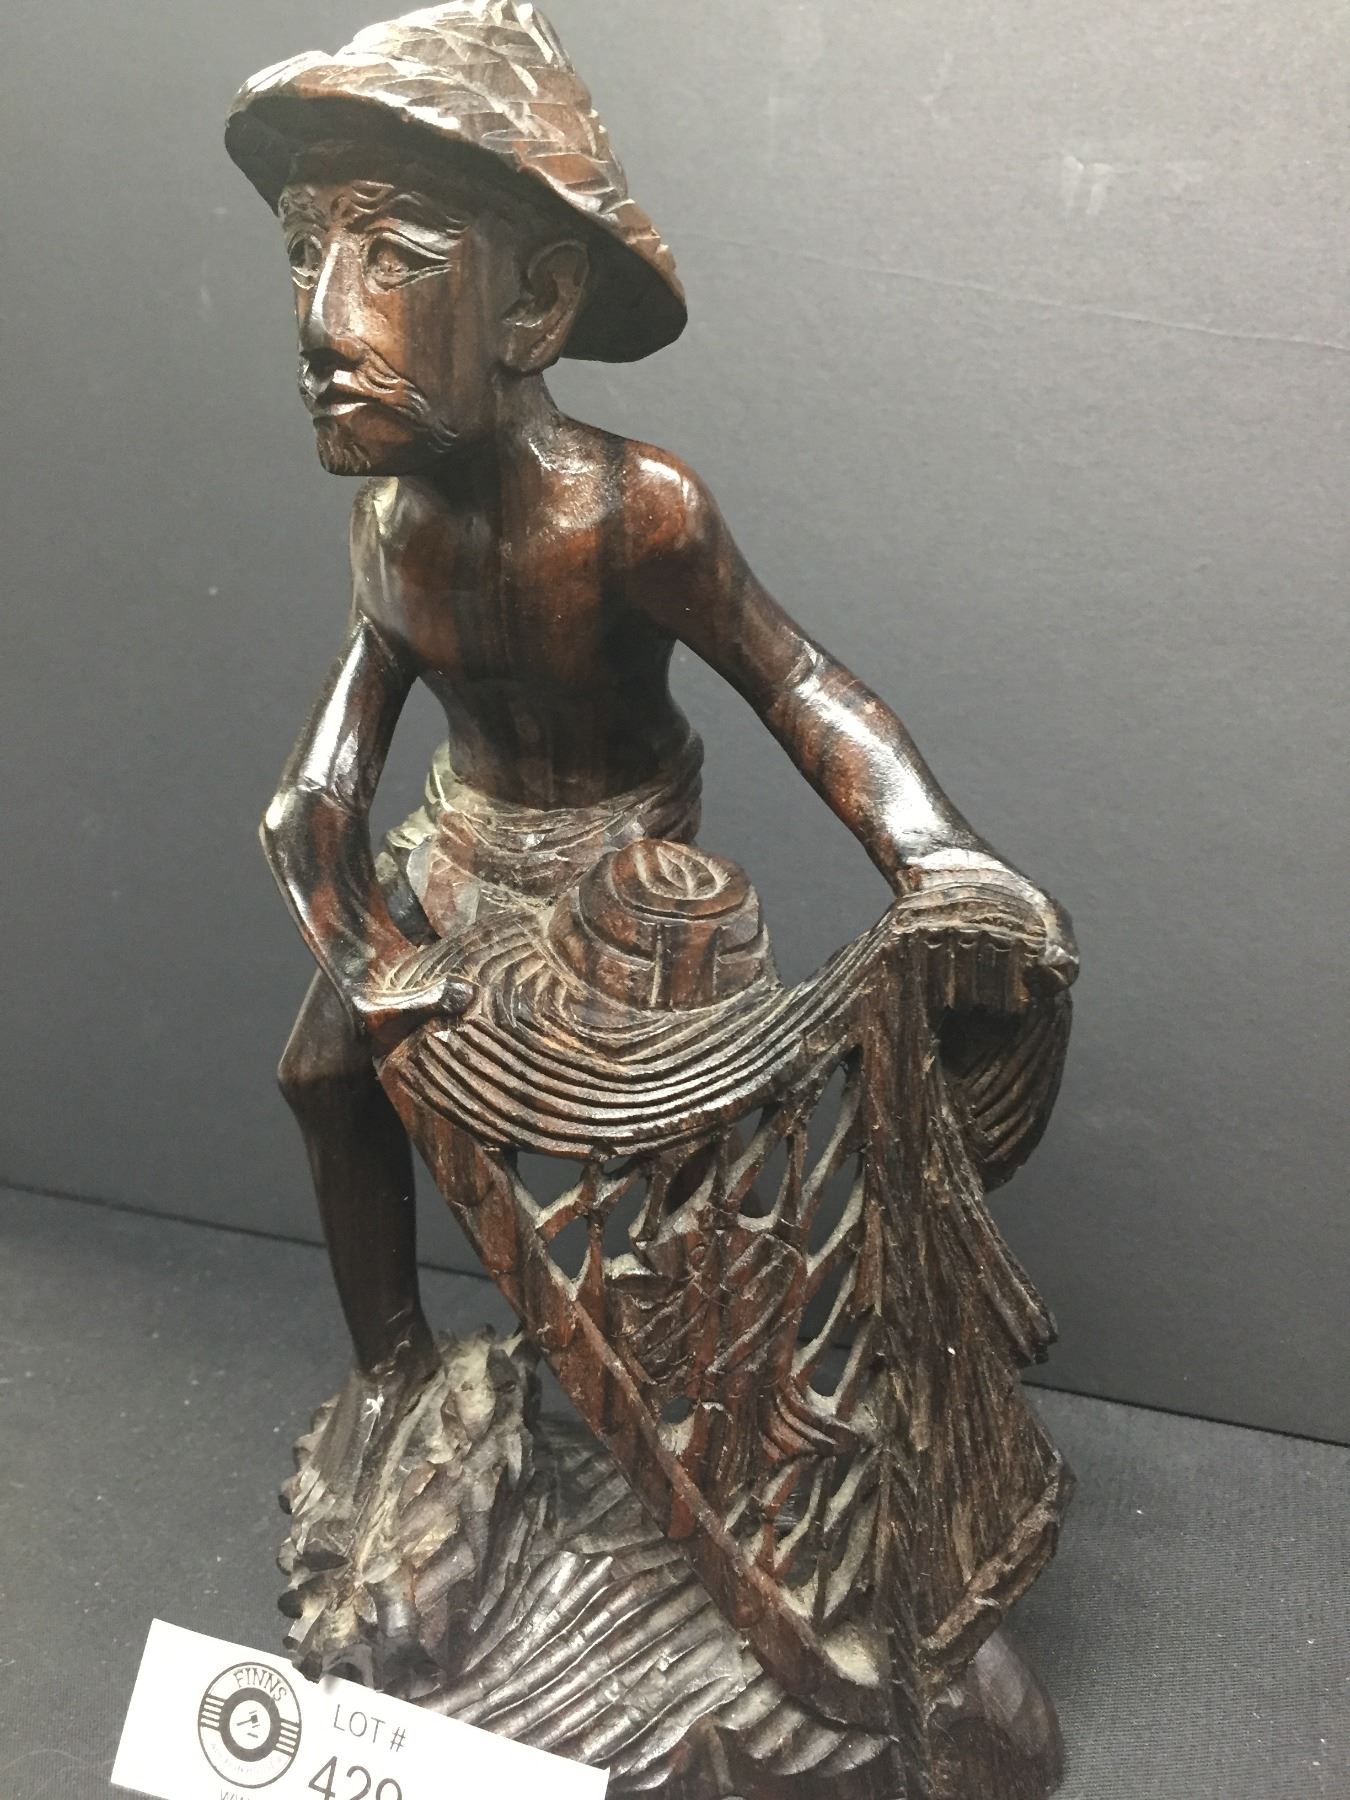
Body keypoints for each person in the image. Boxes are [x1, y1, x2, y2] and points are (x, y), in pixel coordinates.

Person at [227, 1, 1075, 1541]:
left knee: (676, 1185)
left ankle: (766, 1453)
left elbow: (801, 684)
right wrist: (366, 949)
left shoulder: (631, 511)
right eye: (302, 252)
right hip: (454, 855)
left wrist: (935, 855)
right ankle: (393, 1375)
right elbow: (323, 785)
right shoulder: (391, 531)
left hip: (618, 880)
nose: (320, 319)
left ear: (536, 302)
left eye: (390, 257)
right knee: (321, 1077)